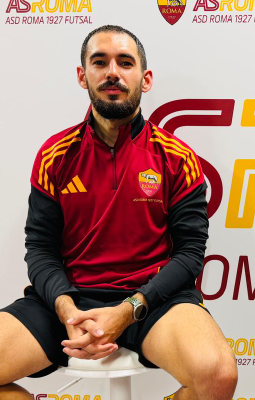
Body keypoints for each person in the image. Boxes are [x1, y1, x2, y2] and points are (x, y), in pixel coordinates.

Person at [0, 25, 237, 400]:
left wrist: (130, 308)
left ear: (145, 78)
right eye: (100, 62)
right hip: (69, 300)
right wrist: (65, 308)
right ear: (83, 76)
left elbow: (190, 254)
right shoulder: (54, 155)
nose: (113, 72)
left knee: (218, 376)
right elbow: (40, 249)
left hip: (153, 300)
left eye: (125, 62)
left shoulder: (178, 158)